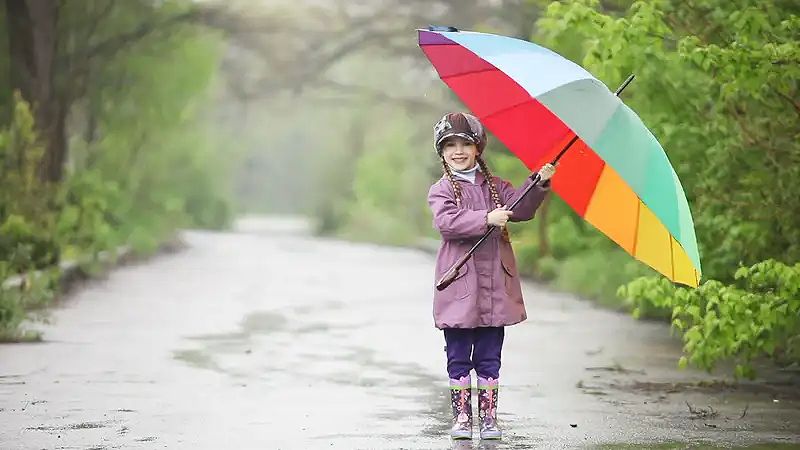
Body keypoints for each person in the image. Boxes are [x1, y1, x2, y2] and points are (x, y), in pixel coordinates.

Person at [427, 112, 555, 440]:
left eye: (465, 144)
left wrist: (537, 182)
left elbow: (521, 208)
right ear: (442, 152)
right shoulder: (441, 190)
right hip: (460, 286)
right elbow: (447, 223)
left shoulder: (498, 187)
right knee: (458, 354)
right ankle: (461, 419)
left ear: (477, 148)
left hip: (494, 286)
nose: (458, 150)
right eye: (450, 145)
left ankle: (488, 418)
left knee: (489, 354)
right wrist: (486, 218)